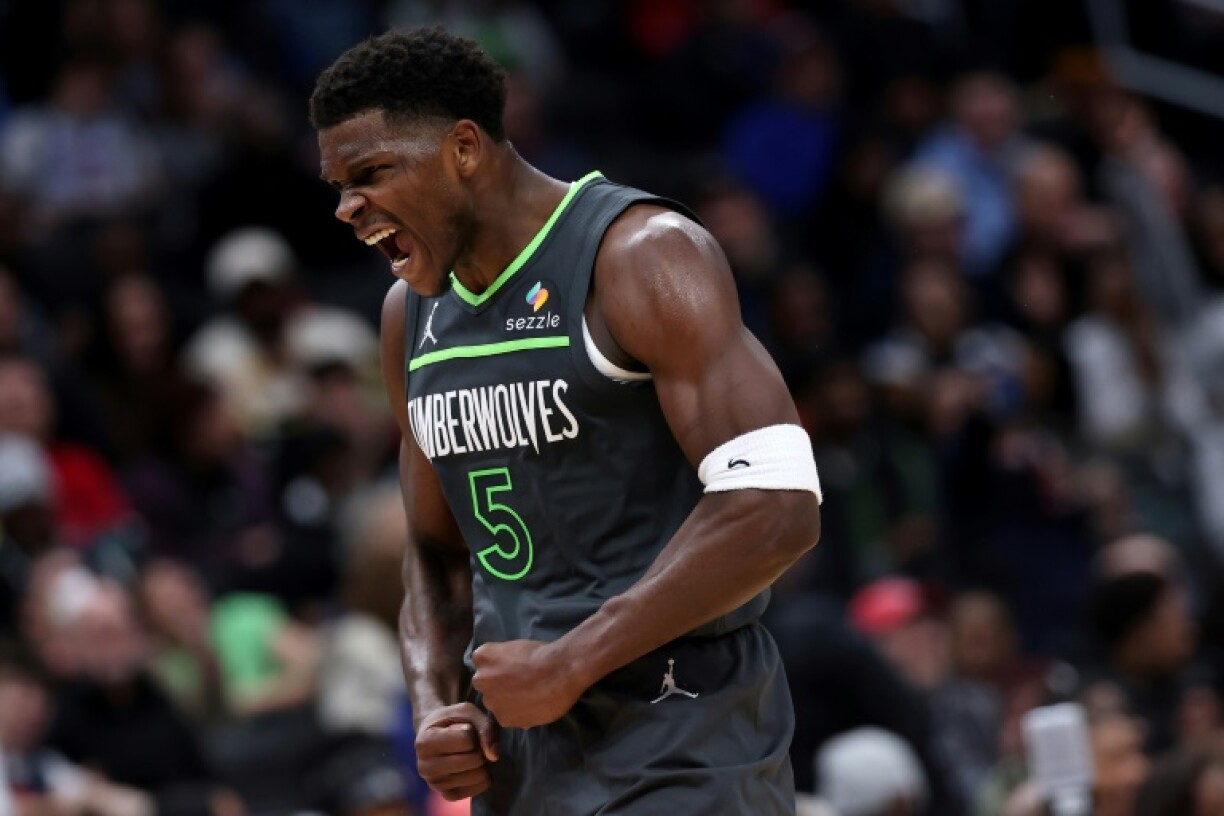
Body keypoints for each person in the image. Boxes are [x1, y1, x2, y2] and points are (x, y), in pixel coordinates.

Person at [310, 26, 823, 815]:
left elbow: (777, 506)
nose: (348, 208)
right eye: (338, 185)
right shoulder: (406, 316)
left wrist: (573, 660)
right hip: (525, 749)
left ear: (465, 150)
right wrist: (434, 703)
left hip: (683, 729)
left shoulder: (643, 255)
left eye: (372, 173)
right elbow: (438, 551)